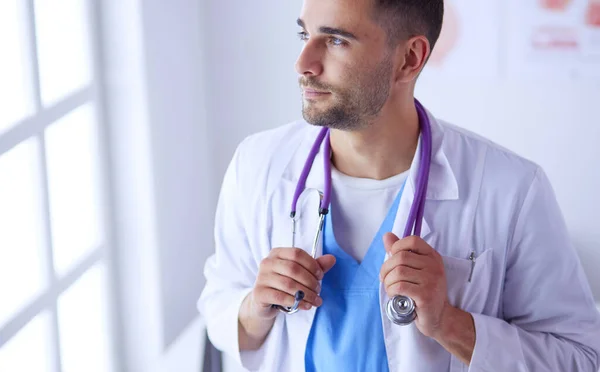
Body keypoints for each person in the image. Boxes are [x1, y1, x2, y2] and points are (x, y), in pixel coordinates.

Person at [197, 0, 600, 371]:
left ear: (409, 59)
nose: (304, 63)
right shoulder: (257, 165)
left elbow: (581, 358)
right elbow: (218, 308)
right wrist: (255, 307)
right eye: (305, 35)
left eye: (336, 40)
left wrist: (449, 323)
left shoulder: (510, 189)